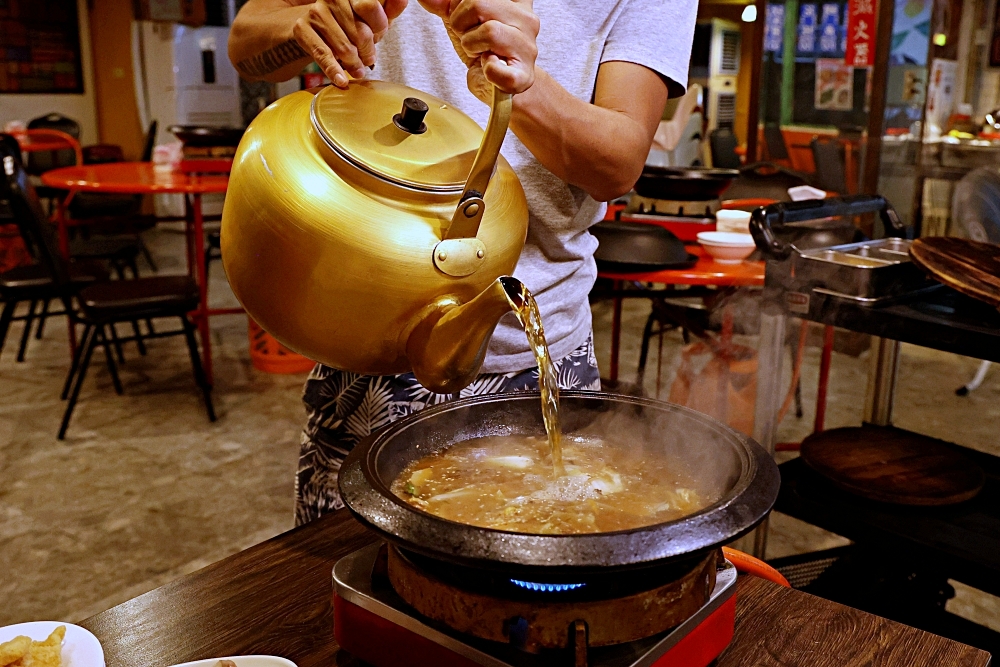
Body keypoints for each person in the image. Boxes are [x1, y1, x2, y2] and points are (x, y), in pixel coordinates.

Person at [229, 0, 697, 524]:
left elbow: (618, 164)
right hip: (360, 334)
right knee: (349, 585)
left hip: (540, 354)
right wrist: (306, 25)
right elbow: (247, 47)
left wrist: (520, 85)